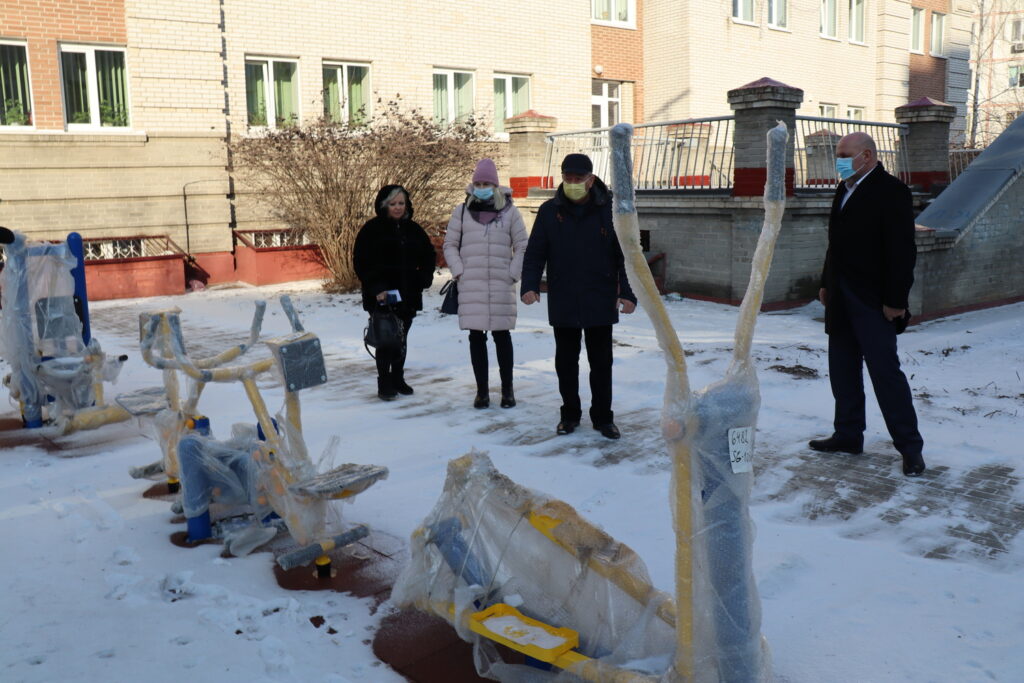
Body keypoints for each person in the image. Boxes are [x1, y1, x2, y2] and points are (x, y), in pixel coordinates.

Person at [810, 132, 926, 477]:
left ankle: (910, 448)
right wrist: (826, 283)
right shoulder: (844, 189)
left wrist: (895, 301)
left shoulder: (892, 190)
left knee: (885, 374)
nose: (840, 161)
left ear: (867, 156)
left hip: (873, 301)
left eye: (845, 154)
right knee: (842, 370)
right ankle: (848, 435)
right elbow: (835, 244)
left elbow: (902, 250)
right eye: (838, 155)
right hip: (841, 297)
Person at [520, 153, 637, 439]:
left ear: (591, 179)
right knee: (566, 363)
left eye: (578, 178)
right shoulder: (550, 211)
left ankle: (603, 418)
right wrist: (529, 285)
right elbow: (535, 252)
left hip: (600, 295)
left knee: (601, 363)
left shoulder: (610, 211)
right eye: (567, 178)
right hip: (564, 296)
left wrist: (628, 292)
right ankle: (570, 415)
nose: (572, 183)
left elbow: (625, 256)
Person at [443, 159, 529, 409]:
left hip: (501, 283)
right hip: (472, 283)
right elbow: (450, 245)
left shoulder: (510, 212)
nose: (481, 188)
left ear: (495, 185)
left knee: (502, 337)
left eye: (486, 183)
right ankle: (482, 391)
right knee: (476, 337)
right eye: (478, 183)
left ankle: (507, 390)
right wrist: (460, 271)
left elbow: (523, 246)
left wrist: (513, 273)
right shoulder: (462, 211)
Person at [353, 185, 436, 401]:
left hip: (408, 294)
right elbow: (362, 262)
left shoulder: (414, 229)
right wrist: (377, 288)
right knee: (386, 337)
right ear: (384, 205)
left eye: (401, 203)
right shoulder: (372, 230)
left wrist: (423, 278)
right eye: (393, 204)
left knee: (402, 337)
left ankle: (398, 378)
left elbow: (428, 255)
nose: (398, 207)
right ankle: (384, 381)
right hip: (383, 294)